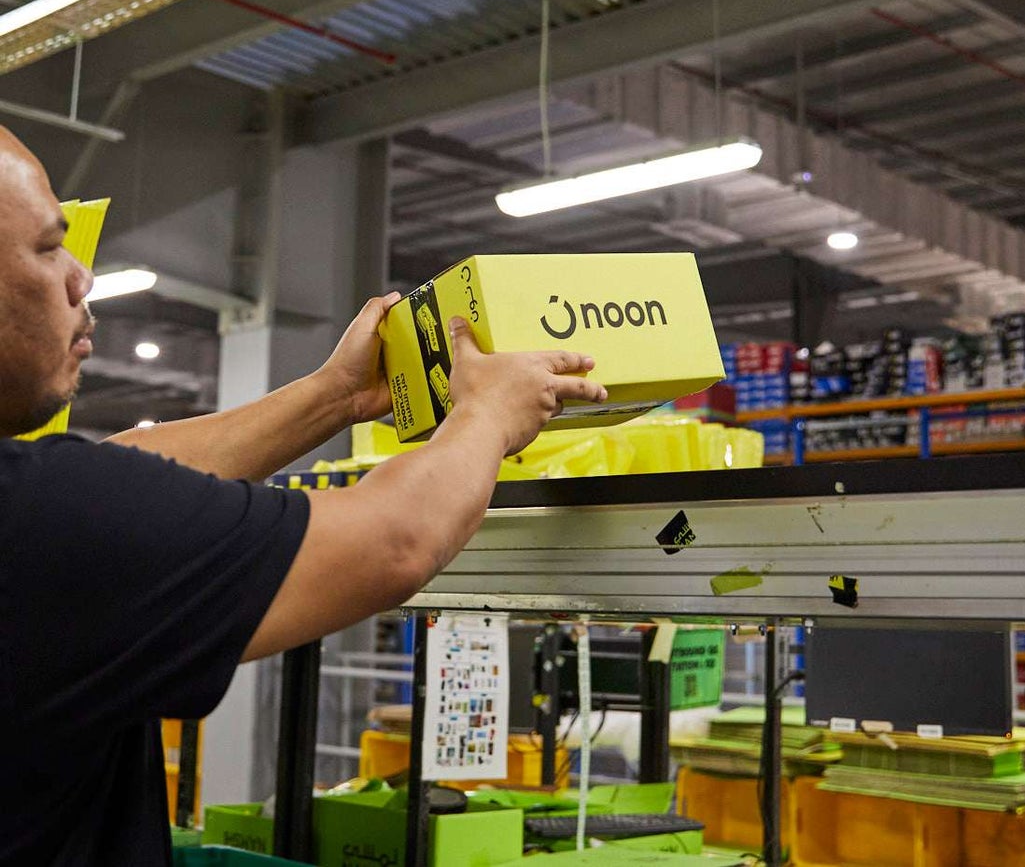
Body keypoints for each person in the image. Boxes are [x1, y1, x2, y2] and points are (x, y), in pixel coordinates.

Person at [0, 125, 607, 865]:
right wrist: (490, 413)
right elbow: (395, 539)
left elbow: (115, 475)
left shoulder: (43, 505)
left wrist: (334, 396)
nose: (81, 278)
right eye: (48, 248)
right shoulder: (40, 523)